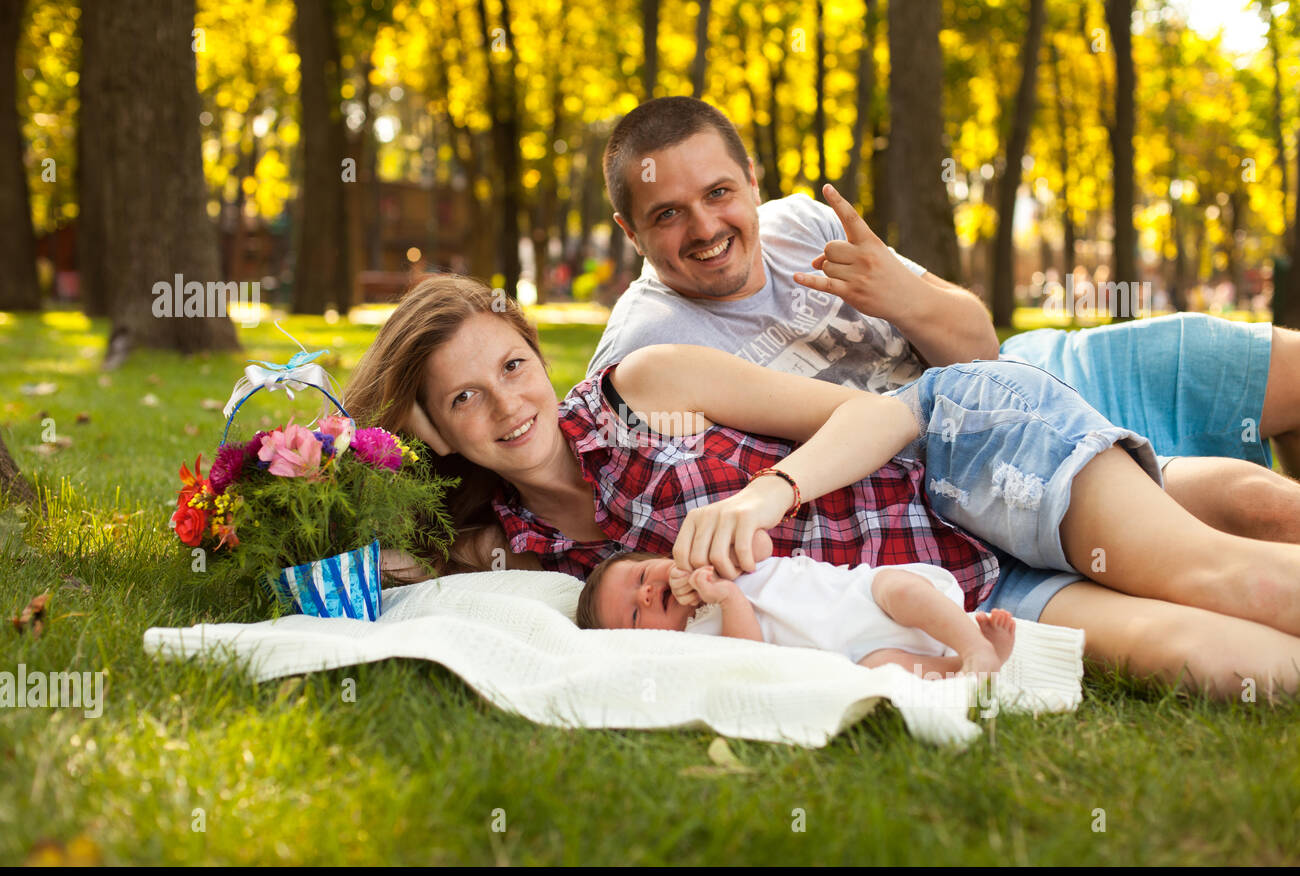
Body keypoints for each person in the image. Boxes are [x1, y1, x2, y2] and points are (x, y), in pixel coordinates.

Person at [345, 273, 1300, 700]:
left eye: (513, 367)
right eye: (464, 398)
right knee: (1212, 662)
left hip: (969, 468)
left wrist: (770, 496)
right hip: (961, 599)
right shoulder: (515, 547)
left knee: (1232, 578)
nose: (508, 406)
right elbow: (345, 556)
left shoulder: (643, 386)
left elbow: (888, 413)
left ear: (536, 355)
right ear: (432, 428)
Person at [587, 96, 1300, 545]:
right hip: (994, 459)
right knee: (1263, 510)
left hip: (1037, 366)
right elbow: (588, 488)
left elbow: (978, 341)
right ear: (629, 229)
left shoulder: (804, 225)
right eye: (667, 214)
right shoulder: (646, 347)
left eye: (719, 193)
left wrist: (900, 294)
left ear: (753, 182)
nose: (706, 227)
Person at [576, 547, 1018, 680]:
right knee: (885, 668)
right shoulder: (697, 644)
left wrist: (706, 570)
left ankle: (971, 642)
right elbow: (751, 658)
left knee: (899, 587)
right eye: (635, 615)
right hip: (859, 653)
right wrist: (729, 600)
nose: (649, 594)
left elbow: (756, 541)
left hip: (861, 596)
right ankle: (963, 666)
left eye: (640, 577)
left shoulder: (710, 559)